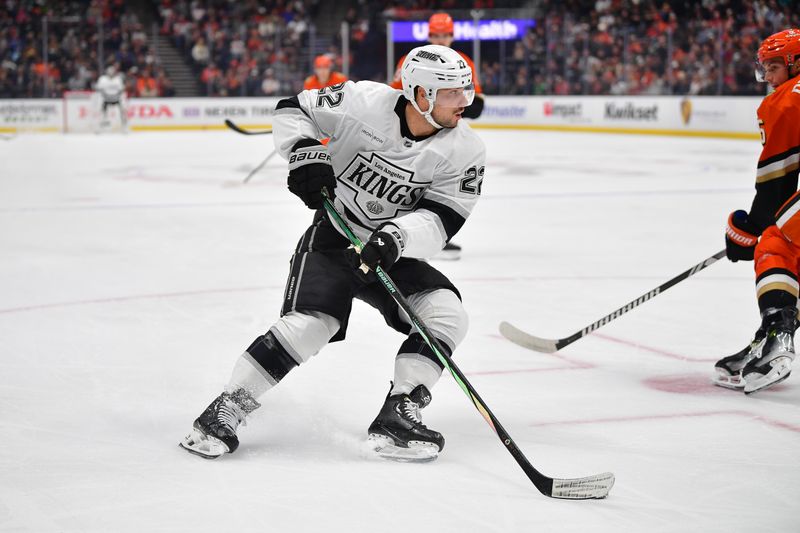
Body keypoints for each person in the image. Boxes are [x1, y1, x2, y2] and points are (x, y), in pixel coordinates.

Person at [180, 44, 485, 462]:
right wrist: (305, 153)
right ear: (421, 94)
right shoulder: (362, 102)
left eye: (465, 91)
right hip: (335, 235)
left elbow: (442, 220)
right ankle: (227, 407)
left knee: (447, 313)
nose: (465, 103)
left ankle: (398, 413)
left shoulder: (466, 149)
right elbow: (293, 108)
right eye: (454, 93)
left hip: (392, 249)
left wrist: (395, 237)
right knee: (312, 324)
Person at [714, 28, 800, 394]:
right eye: (764, 68)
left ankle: (777, 338)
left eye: (774, 67)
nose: (767, 76)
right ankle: (770, 337)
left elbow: (776, 180)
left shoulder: (786, 100)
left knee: (775, 242)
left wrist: (750, 230)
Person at [390, 13, 485, 261]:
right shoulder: (412, 60)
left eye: (444, 35)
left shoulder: (464, 63)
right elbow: (393, 97)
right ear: (429, 36)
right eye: (435, 35)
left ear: (452, 36)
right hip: (412, 134)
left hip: (446, 136)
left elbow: (476, 106)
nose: (440, 40)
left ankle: (427, 236)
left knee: (437, 186)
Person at [94, 63, 127, 132]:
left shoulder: (118, 79)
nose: (111, 73)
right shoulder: (102, 79)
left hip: (116, 98)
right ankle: (100, 126)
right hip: (105, 99)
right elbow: (99, 89)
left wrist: (116, 96)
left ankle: (124, 126)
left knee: (123, 109)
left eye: (112, 72)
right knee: (100, 110)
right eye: (109, 72)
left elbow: (121, 90)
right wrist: (105, 96)